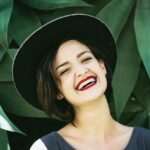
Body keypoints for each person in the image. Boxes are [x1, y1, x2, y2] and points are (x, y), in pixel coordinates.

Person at [13, 14, 150, 150]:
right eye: (65, 70)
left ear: (101, 66)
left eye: (85, 59)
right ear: (57, 91)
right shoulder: (46, 147)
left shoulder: (145, 141)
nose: (81, 71)